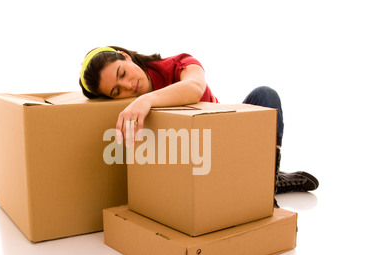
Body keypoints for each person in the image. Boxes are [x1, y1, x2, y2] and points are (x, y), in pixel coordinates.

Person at [79, 46, 319, 202]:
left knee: (265, 95)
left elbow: (194, 88)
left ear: (127, 57)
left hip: (227, 138)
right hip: (196, 166)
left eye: (122, 73)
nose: (128, 86)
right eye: (116, 90)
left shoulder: (179, 62)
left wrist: (147, 100)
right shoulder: (128, 108)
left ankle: (267, 184)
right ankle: (268, 183)